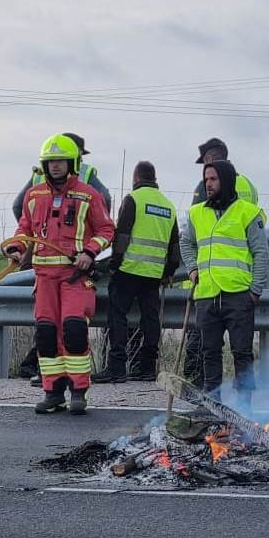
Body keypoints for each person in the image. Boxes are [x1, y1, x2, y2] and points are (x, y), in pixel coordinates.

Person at [5, 134, 114, 415]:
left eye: (60, 161)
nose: (55, 167)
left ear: (72, 163)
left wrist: (89, 252)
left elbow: (106, 230)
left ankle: (78, 391)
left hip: (74, 277)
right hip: (44, 277)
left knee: (74, 329)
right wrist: (17, 248)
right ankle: (52, 392)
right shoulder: (34, 195)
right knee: (46, 333)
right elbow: (24, 228)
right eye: (50, 162)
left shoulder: (89, 195)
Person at [181, 159, 269, 411]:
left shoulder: (247, 212)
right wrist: (193, 268)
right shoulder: (197, 213)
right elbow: (186, 243)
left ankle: (244, 406)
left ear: (226, 181)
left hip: (238, 294)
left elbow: (261, 252)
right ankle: (213, 404)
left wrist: (255, 290)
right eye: (206, 179)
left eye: (214, 179)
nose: (208, 184)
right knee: (210, 352)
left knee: (241, 353)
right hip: (207, 294)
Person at [92, 161, 181, 384]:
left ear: (135, 178)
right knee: (151, 319)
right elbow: (175, 245)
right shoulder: (168, 206)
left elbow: (121, 236)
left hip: (128, 270)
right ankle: (147, 368)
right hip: (153, 274)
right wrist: (168, 271)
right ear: (155, 178)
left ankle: (117, 368)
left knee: (118, 316)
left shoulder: (133, 199)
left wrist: (114, 263)